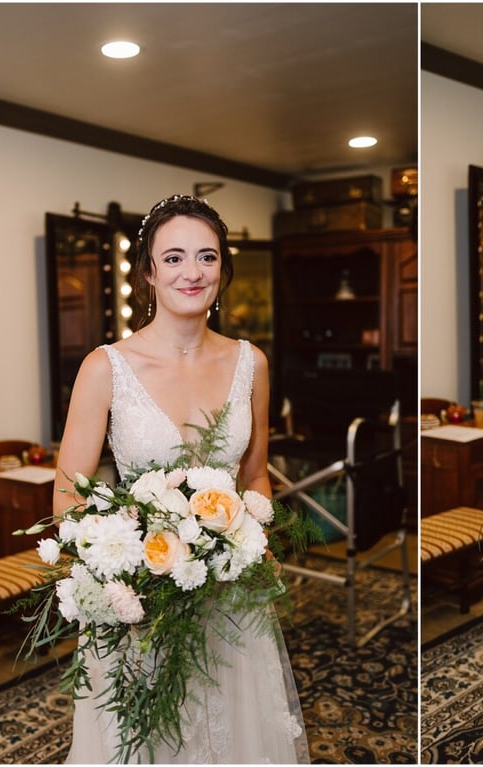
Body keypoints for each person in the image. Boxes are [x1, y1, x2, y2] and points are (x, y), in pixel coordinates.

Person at [54, 194, 309, 763]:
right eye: (173, 258)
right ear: (148, 272)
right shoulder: (105, 368)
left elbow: (254, 475)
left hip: (230, 595)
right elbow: (68, 498)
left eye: (206, 257)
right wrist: (127, 574)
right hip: (143, 599)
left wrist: (255, 542)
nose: (191, 272)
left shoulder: (251, 363)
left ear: (223, 269)